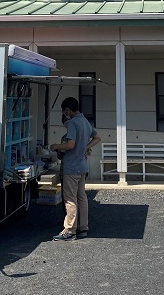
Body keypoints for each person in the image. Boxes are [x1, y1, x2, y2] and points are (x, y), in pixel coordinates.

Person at [50, 97, 101, 241]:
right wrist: (86, 147)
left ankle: (69, 230)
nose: (65, 114)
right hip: (82, 167)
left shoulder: (72, 123)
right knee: (82, 198)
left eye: (64, 111)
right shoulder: (85, 121)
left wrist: (56, 146)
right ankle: (83, 228)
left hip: (71, 167)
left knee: (70, 199)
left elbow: (70, 144)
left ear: (67, 110)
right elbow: (97, 137)